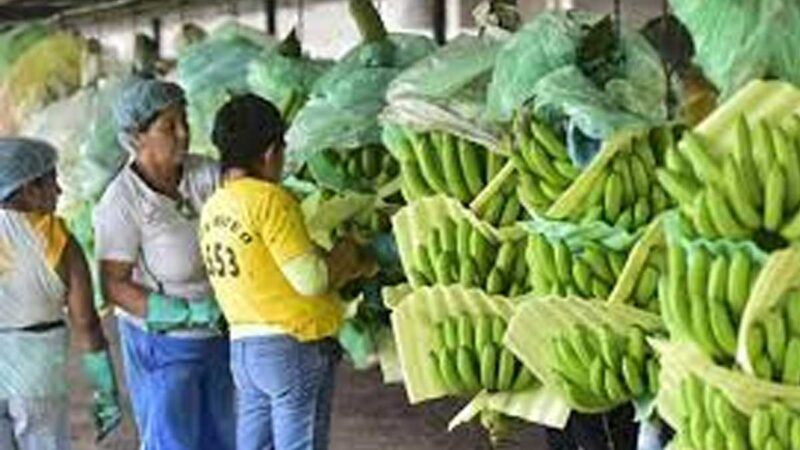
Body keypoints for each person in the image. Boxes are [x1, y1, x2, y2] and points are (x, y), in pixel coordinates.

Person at [200, 93, 375, 450]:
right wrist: (346, 254)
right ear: (269, 153)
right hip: (291, 347)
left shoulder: (214, 206)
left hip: (244, 351)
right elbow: (311, 280)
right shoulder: (270, 200)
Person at [93, 77, 234, 450]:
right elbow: (114, 285)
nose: (184, 133)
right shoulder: (122, 201)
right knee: (173, 440)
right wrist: (187, 314)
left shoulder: (205, 173)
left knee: (222, 437)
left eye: (184, 120)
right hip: (164, 345)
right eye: (169, 127)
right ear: (137, 136)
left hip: (218, 336)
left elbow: (248, 204)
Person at [0, 137, 121, 449]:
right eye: (51, 182)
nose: (59, 191)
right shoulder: (56, 239)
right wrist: (105, 390)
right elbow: (87, 322)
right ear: (28, 189)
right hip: (37, 370)